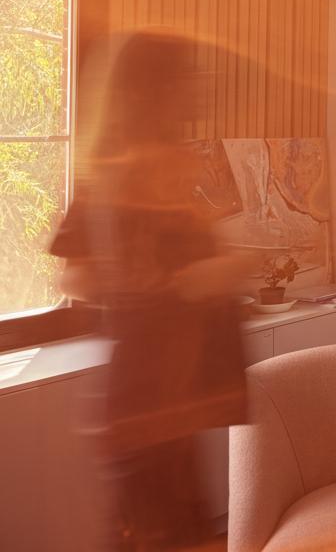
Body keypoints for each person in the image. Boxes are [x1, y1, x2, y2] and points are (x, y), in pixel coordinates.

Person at [52, 29, 250, 551]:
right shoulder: (119, 171)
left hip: (174, 403)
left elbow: (189, 262)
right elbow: (76, 275)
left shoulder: (171, 164)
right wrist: (168, 281)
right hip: (143, 403)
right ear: (152, 89)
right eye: (186, 75)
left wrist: (214, 271)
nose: (199, 85)